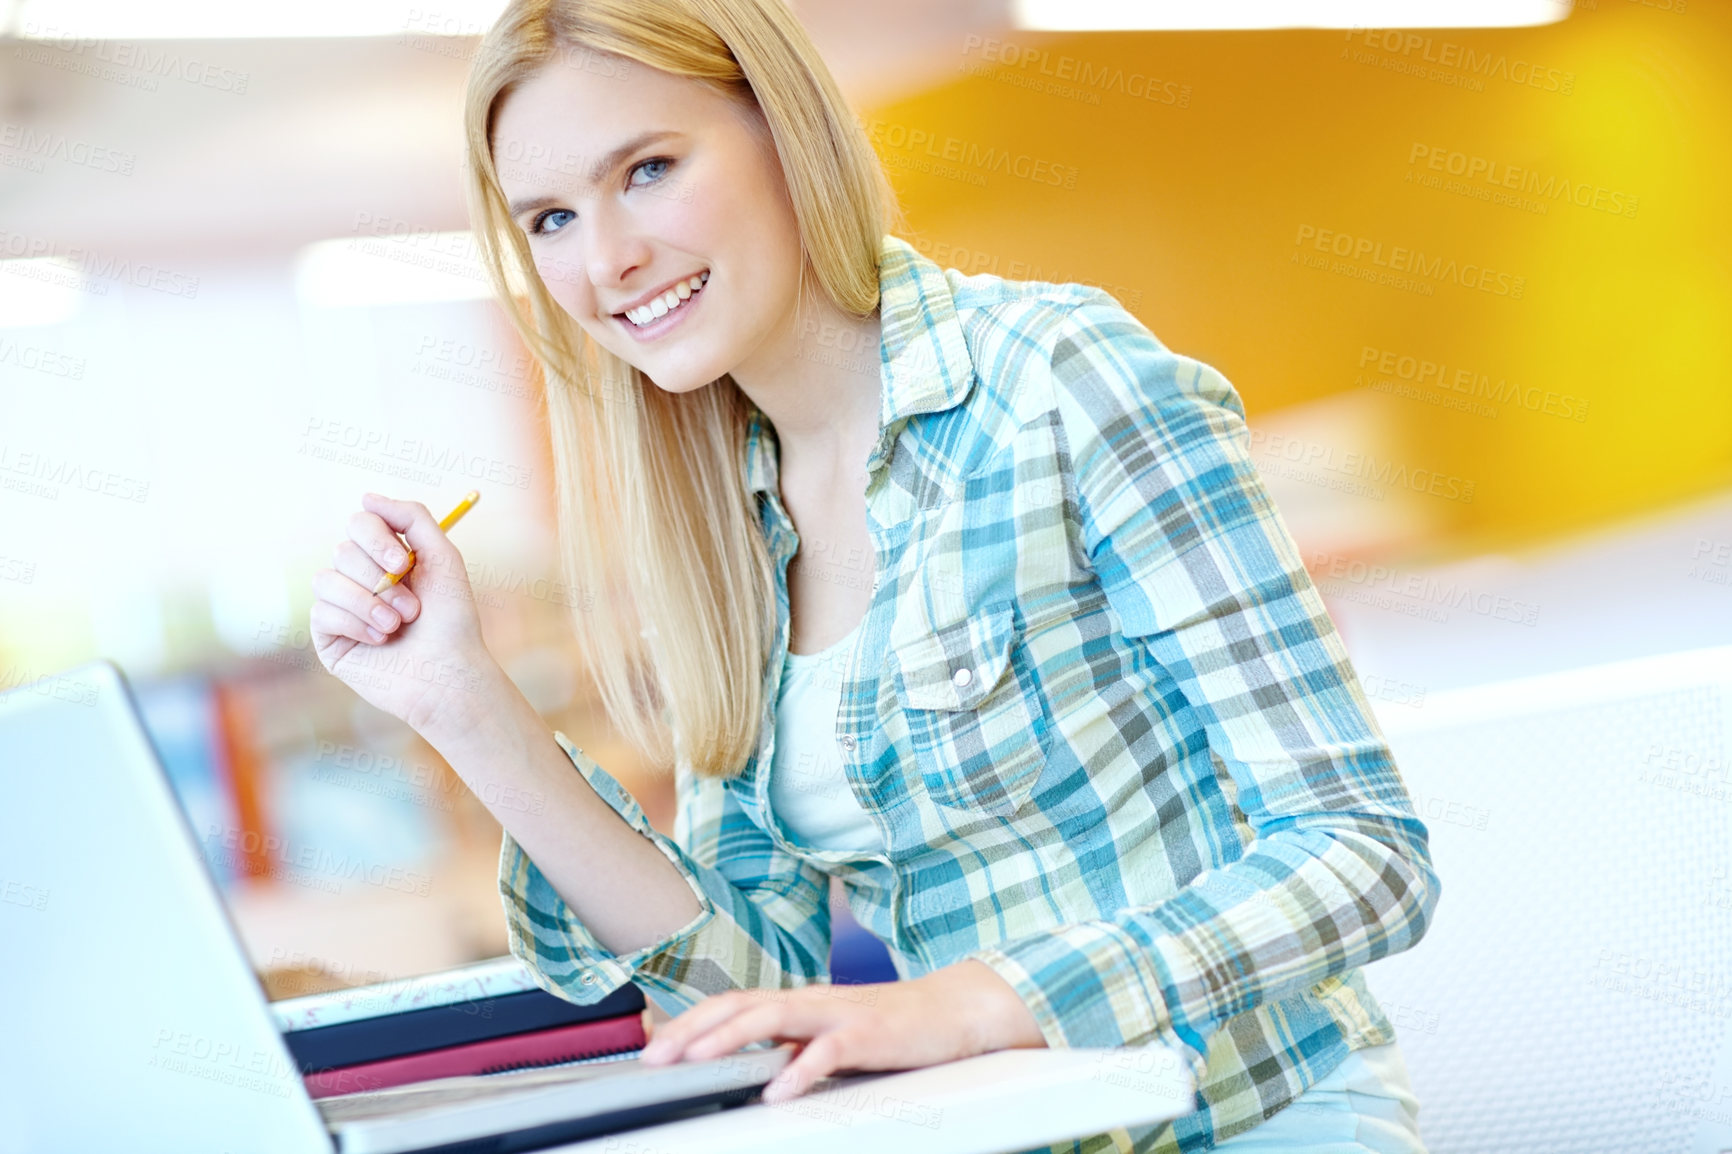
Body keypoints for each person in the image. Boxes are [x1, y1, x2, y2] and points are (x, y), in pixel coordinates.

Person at [307, 1, 1441, 1149]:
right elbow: (741, 993)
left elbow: (1363, 852)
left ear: (782, 130)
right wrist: (462, 700)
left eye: (648, 168)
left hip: (1255, 1121)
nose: (605, 260)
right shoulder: (718, 534)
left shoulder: (1057, 378)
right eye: (550, 218)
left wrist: (975, 1003)